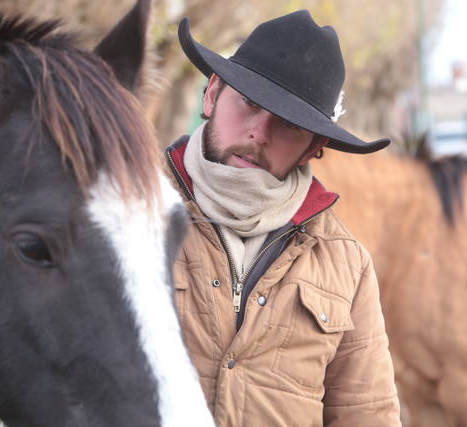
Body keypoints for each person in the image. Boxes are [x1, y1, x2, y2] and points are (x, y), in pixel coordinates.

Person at [164, 9, 401, 427]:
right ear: (212, 94)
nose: (260, 133)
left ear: (314, 148)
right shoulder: (132, 212)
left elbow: (367, 415)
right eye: (250, 102)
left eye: (289, 123)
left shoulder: (345, 263)